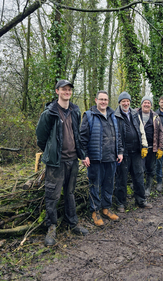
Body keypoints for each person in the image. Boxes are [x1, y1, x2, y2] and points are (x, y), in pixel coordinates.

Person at [35, 80, 88, 246]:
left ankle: (73, 223)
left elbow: (77, 135)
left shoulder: (75, 110)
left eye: (69, 89)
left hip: (72, 160)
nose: (67, 92)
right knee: (53, 195)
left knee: (70, 193)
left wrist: (82, 154)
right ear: (57, 91)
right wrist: (52, 152)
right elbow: (41, 138)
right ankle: (51, 227)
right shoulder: (49, 113)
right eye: (64, 89)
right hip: (56, 163)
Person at [80, 90, 123, 227]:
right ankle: (95, 211)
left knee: (109, 184)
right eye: (101, 99)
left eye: (105, 99)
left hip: (111, 158)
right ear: (96, 100)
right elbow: (82, 138)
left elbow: (118, 136)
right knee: (95, 185)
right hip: (95, 159)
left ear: (108, 101)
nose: (103, 102)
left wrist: (120, 151)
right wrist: (84, 155)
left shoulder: (113, 116)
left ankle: (106, 208)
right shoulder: (89, 115)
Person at [114, 92, 153, 212]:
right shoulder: (115, 115)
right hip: (123, 152)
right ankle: (121, 203)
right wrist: (118, 150)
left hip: (136, 151)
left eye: (127, 101)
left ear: (130, 102)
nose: (126, 103)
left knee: (139, 175)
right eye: (123, 101)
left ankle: (141, 200)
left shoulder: (135, 113)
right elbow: (116, 135)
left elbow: (141, 129)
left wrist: (144, 145)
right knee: (122, 178)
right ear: (120, 102)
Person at [137, 96, 163, 196]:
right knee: (139, 168)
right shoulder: (135, 114)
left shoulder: (155, 116)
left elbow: (161, 132)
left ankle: (148, 187)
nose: (146, 104)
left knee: (150, 168)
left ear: (151, 105)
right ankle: (139, 187)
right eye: (145, 102)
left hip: (152, 148)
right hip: (138, 148)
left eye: (148, 103)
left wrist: (160, 148)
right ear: (141, 104)